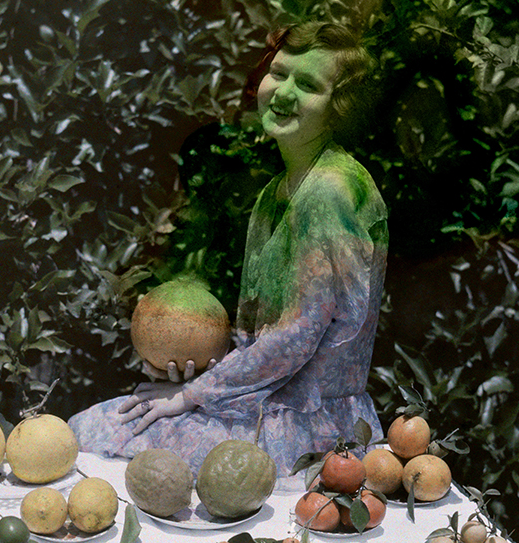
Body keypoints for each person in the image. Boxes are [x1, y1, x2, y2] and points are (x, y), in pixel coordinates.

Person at [69, 21, 388, 488]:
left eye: (309, 85)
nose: (282, 92)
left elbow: (300, 332)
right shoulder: (277, 193)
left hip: (308, 431)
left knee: (93, 430)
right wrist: (200, 370)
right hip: (273, 402)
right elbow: (268, 335)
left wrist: (194, 395)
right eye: (279, 73)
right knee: (124, 413)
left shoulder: (330, 191)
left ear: (339, 108)